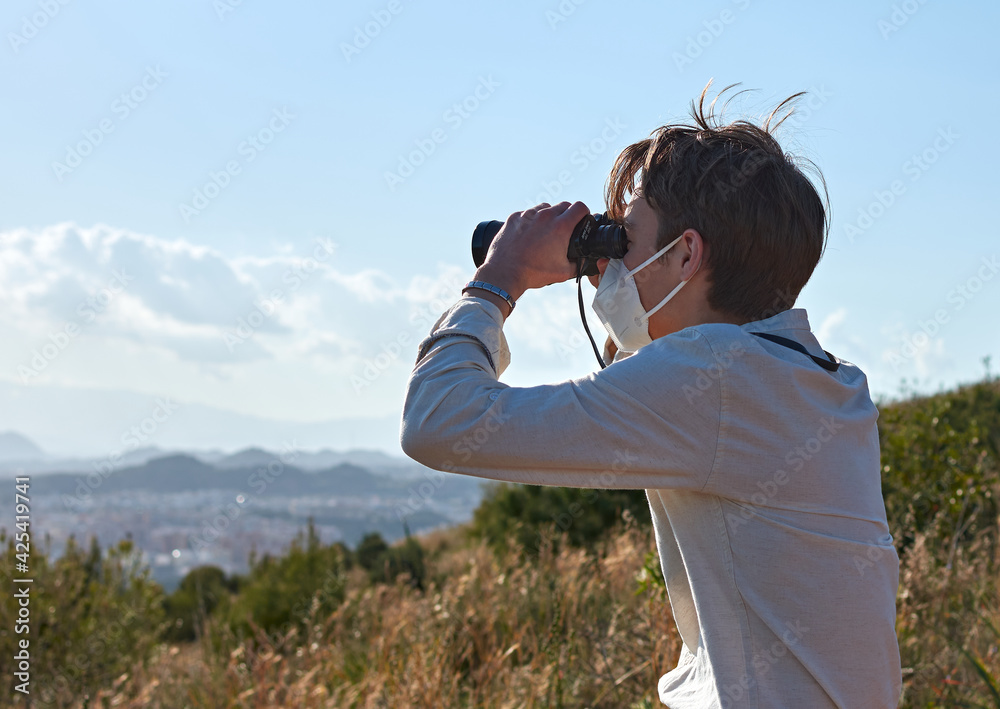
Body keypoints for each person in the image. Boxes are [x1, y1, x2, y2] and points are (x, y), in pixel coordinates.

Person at [399, 83, 902, 709]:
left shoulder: (716, 377)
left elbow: (438, 422)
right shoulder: (824, 379)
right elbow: (663, 395)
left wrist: (497, 282)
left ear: (687, 252)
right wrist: (628, 292)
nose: (610, 265)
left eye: (624, 241)